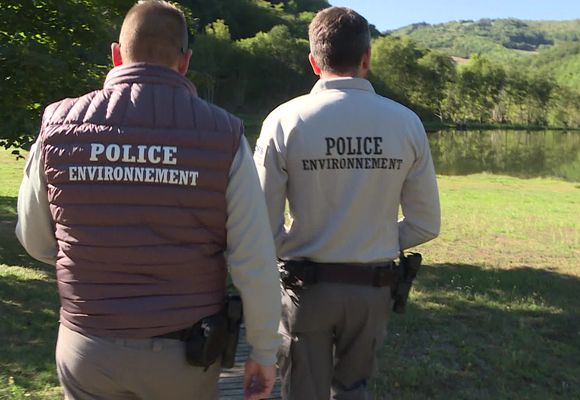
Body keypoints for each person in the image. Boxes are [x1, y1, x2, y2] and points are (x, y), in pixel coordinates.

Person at [15, 1, 280, 399]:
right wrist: (263, 349)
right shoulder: (224, 135)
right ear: (185, 61)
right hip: (184, 354)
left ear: (116, 55)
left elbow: (35, 240)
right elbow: (254, 259)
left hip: (88, 344)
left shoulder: (58, 126)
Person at [254, 6, 441, 400]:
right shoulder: (406, 122)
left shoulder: (284, 121)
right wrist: (372, 238)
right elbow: (426, 224)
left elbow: (260, 224)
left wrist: (297, 243)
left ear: (313, 60)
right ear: (367, 58)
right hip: (372, 290)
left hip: (306, 288)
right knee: (354, 391)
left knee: (302, 391)